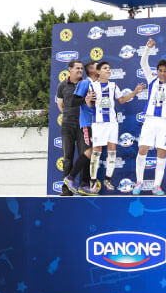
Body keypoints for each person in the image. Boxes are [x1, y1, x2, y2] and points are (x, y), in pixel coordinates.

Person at [86, 61, 143, 193]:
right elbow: (89, 104)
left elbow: (121, 100)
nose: (108, 70)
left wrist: (135, 92)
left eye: (109, 68)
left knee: (112, 150)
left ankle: (108, 179)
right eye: (105, 68)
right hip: (98, 123)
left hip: (112, 123)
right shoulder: (92, 85)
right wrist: (88, 100)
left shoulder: (113, 85)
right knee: (97, 151)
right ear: (98, 71)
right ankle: (92, 181)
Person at [132, 39, 166, 195]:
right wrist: (147, 48)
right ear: (157, 71)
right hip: (149, 120)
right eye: (160, 70)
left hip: (164, 122)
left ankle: (157, 186)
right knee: (142, 149)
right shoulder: (152, 80)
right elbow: (143, 63)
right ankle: (139, 182)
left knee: (161, 153)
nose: (162, 73)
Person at [63, 60, 99, 195]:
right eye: (98, 67)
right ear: (91, 70)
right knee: (88, 151)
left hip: (97, 124)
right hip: (86, 123)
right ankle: (71, 178)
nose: (101, 68)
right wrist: (85, 100)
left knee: (91, 153)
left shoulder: (97, 84)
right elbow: (73, 101)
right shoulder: (85, 83)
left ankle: (84, 184)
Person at [56, 59, 84, 195]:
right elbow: (60, 104)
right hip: (67, 125)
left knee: (84, 157)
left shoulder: (86, 84)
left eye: (81, 68)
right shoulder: (62, 86)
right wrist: (69, 115)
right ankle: (66, 190)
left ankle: (84, 188)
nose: (80, 70)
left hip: (83, 126)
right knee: (67, 158)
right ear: (70, 69)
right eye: (77, 68)